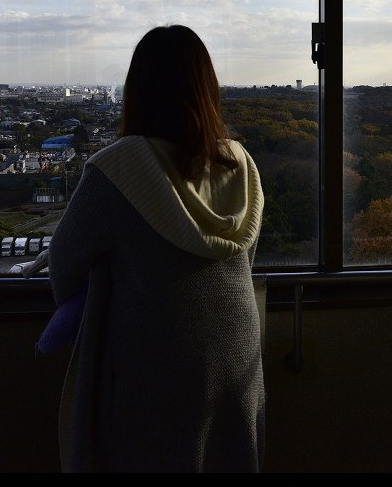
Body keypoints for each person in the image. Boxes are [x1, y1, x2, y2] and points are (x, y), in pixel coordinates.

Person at [48, 25, 266, 472]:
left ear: (137, 89)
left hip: (156, 357)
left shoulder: (119, 167)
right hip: (237, 348)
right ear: (208, 87)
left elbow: (64, 263)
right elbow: (244, 256)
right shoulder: (240, 163)